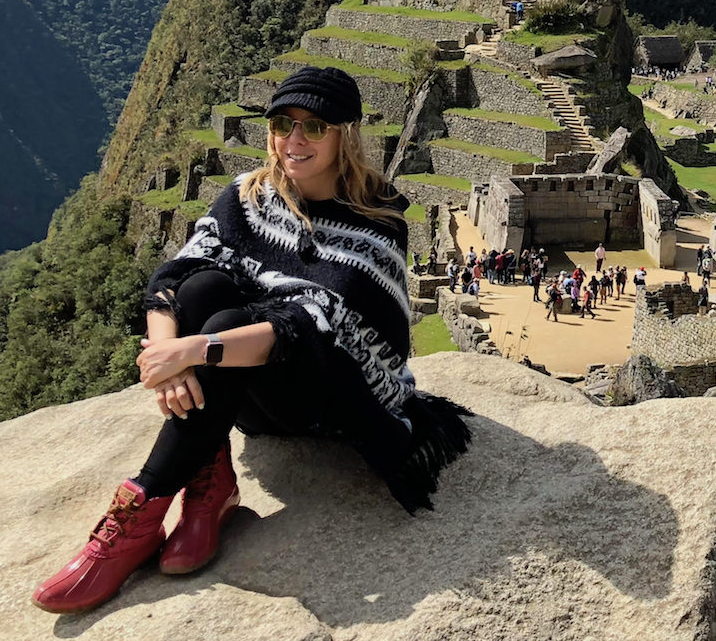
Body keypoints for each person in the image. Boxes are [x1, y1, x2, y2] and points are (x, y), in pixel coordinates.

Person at [29, 67, 472, 615]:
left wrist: (193, 352)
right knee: (205, 286)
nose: (295, 139)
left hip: (324, 397)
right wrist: (162, 355)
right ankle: (207, 484)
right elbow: (178, 271)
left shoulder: (376, 222)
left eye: (315, 126)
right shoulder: (248, 197)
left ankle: (141, 508)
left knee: (221, 328)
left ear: (345, 135)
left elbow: (310, 326)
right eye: (284, 123)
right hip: (250, 398)